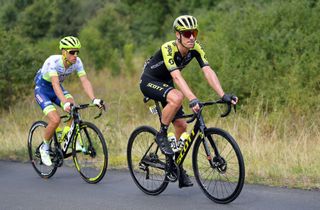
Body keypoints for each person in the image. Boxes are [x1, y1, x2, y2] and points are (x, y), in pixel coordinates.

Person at [139, 15, 238, 188]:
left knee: (182, 126)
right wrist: (192, 99)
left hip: (165, 83)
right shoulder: (168, 48)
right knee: (178, 97)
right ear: (178, 35)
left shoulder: (196, 48)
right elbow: (177, 76)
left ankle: (174, 165)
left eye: (194, 32)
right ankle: (161, 133)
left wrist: (223, 95)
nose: (191, 37)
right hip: (149, 81)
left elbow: (208, 71)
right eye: (186, 33)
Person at [34, 36, 104, 166]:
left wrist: (94, 99)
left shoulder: (77, 62)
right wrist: (64, 102)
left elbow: (84, 80)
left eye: (77, 52)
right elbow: (55, 84)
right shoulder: (52, 62)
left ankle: (69, 136)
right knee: (55, 119)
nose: (75, 55)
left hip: (57, 88)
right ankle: (45, 147)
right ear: (64, 52)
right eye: (72, 52)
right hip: (43, 90)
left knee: (74, 107)